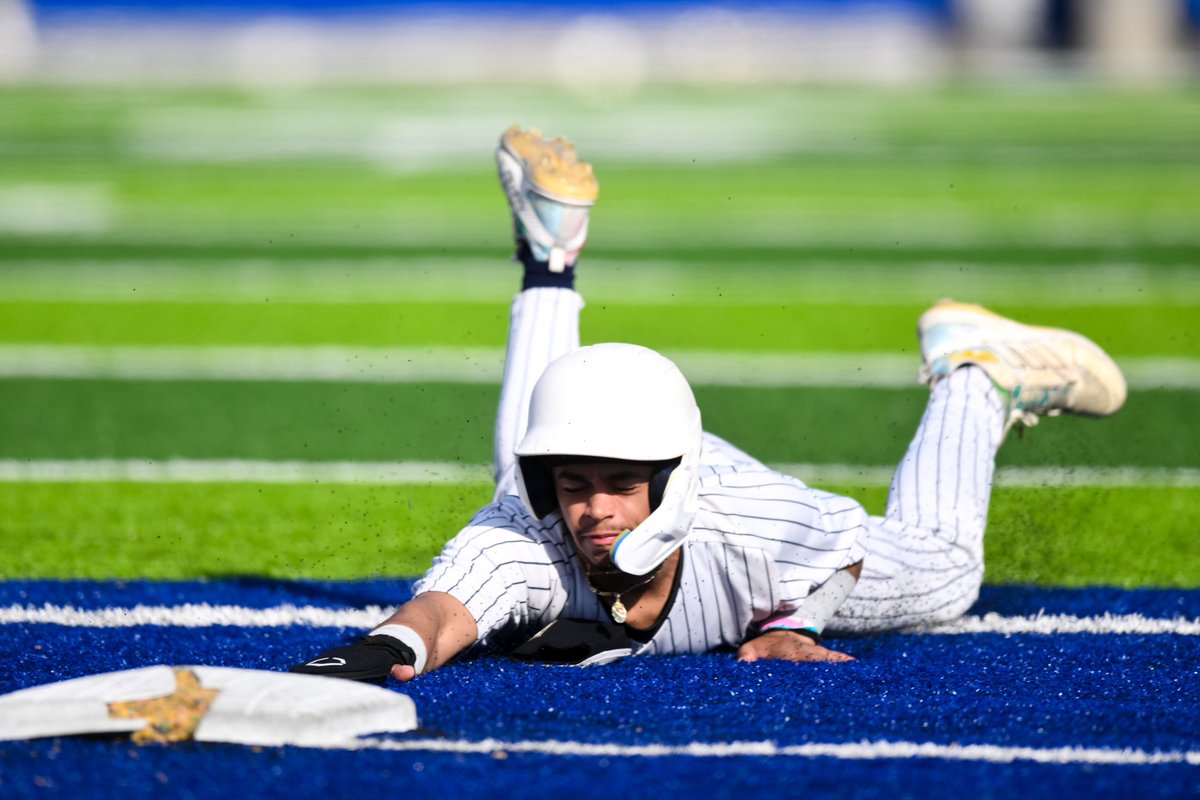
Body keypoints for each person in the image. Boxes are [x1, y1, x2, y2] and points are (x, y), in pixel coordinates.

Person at [291, 127, 1127, 683]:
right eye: (575, 485)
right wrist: (371, 655)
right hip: (630, 462)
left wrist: (797, 621)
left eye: (620, 484)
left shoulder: (751, 526)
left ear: (666, 483)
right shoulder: (529, 529)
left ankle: (972, 373)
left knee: (949, 574)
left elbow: (841, 547)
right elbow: (440, 614)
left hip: (763, 537)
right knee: (520, 456)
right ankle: (551, 257)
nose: (592, 511)